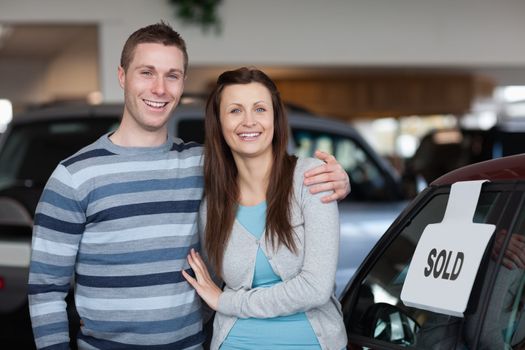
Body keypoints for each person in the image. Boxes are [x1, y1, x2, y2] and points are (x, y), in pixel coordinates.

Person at [27, 22, 350, 349]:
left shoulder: (204, 165)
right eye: (147, 72)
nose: (159, 88)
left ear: (182, 83)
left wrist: (336, 178)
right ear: (122, 76)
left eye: (172, 75)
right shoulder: (74, 175)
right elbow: (46, 291)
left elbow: (263, 166)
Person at [182, 67, 347, 350]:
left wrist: (228, 302)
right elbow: (207, 291)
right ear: (219, 123)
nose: (249, 121)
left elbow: (316, 288)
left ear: (275, 118)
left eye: (260, 109)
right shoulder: (212, 204)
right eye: (235, 111)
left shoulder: (311, 178)